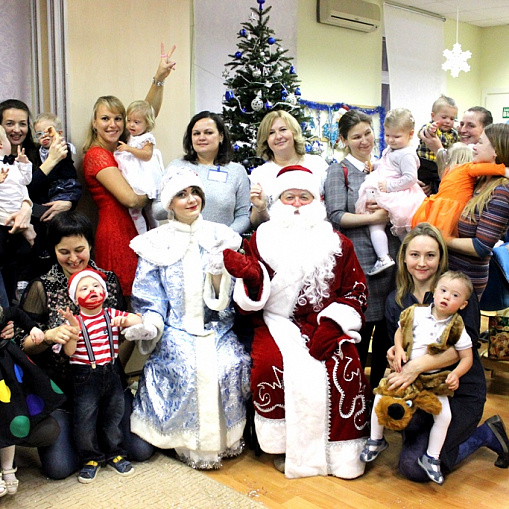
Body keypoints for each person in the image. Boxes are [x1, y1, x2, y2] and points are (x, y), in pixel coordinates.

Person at [224, 165, 371, 479]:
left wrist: (334, 324)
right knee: (270, 365)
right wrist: (251, 280)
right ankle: (281, 446)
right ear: (278, 202)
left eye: (303, 197)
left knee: (345, 365)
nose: (296, 204)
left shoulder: (338, 242)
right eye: (289, 197)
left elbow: (356, 288)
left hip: (326, 323)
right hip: (276, 322)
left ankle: (339, 454)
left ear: (316, 200)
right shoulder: (260, 240)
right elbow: (248, 302)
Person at [16, 211, 154, 480]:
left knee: (140, 450)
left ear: (90, 245)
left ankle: (104, 434)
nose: (73, 258)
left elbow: (125, 331)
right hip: (63, 392)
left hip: (107, 381)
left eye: (80, 249)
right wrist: (46, 336)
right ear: (53, 250)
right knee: (60, 468)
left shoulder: (107, 282)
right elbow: (22, 346)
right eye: (63, 251)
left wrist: (110, 370)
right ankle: (89, 438)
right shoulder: (42, 287)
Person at [129, 167, 251, 469]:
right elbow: (149, 297)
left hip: (218, 327)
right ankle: (182, 440)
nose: (190, 199)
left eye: (195, 192)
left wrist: (218, 276)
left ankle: (227, 438)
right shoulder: (154, 243)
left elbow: (232, 297)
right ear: (169, 203)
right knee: (188, 366)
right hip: (174, 330)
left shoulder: (221, 237)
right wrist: (151, 324)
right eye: (181, 195)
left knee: (229, 364)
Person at [385, 223, 509, 482]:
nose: (422, 263)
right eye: (415, 255)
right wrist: (394, 354)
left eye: (430, 255)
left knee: (415, 468)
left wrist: (417, 366)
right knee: (406, 426)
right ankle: (424, 434)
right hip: (421, 391)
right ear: (404, 256)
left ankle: (486, 433)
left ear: (441, 257)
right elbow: (399, 345)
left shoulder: (457, 292)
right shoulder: (397, 300)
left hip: (460, 390)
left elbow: (465, 348)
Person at [363, 271, 474, 485]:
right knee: (381, 395)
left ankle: (431, 457)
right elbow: (400, 331)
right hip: (406, 375)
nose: (446, 297)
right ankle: (376, 439)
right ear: (434, 291)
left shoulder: (457, 328)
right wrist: (397, 347)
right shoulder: (417, 313)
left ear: (463, 304)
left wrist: (456, 374)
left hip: (433, 382)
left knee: (444, 416)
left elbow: (467, 357)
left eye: (455, 296)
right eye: (443, 291)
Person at [83, 45, 176, 297]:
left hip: (138, 226)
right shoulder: (96, 155)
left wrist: (159, 78)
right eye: (105, 119)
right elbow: (131, 199)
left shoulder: (125, 146)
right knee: (126, 296)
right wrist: (162, 193)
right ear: (94, 123)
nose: (112, 124)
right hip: (116, 233)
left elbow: (147, 114)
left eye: (118, 119)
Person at [324, 110, 399, 390]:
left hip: (391, 261)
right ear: (344, 140)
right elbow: (335, 215)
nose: (364, 140)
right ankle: (357, 399)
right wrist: (374, 218)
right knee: (361, 333)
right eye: (356, 137)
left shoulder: (383, 168)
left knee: (387, 338)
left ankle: (381, 396)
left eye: (368, 133)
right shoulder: (339, 170)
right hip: (362, 265)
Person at [59, 268, 153, 483]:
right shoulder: (74, 321)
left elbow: (137, 321)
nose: (91, 290)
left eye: (95, 286)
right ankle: (90, 457)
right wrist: (73, 330)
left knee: (113, 415)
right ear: (75, 297)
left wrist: (128, 321)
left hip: (111, 373)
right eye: (84, 288)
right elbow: (69, 352)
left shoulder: (111, 314)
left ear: (104, 292)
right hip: (84, 377)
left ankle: (115, 452)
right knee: (85, 419)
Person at [0, 100, 81, 284]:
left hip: (43, 237)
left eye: (22, 124)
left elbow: (69, 179)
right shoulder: (47, 157)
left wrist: (69, 201)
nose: (17, 130)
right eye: (10, 123)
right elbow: (21, 191)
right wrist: (50, 162)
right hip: (10, 239)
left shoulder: (39, 151)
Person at [0, 305, 65, 497]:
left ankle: (8, 468)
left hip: (6, 375)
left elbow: (17, 313)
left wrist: (34, 329)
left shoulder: (4, 313)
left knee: (11, 418)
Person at [356, 108, 426, 275]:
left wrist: (389, 186)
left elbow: (410, 178)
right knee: (376, 224)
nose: (391, 140)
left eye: (396, 137)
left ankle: (411, 257)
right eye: (387, 135)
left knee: (404, 230)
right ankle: (384, 257)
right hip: (386, 188)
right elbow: (387, 163)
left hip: (399, 194)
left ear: (410, 134)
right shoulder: (392, 149)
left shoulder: (407, 154)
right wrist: (375, 165)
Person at [446, 123, 509, 299]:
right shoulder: (479, 180)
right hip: (450, 273)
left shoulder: (501, 191)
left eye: (480, 142)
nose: (474, 146)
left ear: (495, 150)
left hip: (467, 279)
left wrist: (443, 239)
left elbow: (481, 246)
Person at [160, 111, 250, 234]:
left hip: (222, 245)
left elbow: (244, 215)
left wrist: (225, 237)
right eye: (196, 133)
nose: (201, 137)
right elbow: (156, 210)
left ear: (221, 136)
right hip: (183, 241)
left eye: (208, 132)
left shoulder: (237, 171)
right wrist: (176, 204)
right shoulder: (176, 167)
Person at [413, 139, 509, 239]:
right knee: (443, 236)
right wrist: (503, 170)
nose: (475, 146)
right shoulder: (467, 168)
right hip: (454, 207)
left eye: (480, 142)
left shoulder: (448, 171)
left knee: (433, 236)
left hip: (438, 206)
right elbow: (486, 168)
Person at [250, 110, 328, 228]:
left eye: (283, 129)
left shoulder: (318, 164)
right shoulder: (260, 174)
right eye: (271, 133)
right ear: (266, 140)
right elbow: (256, 222)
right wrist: (260, 208)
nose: (278, 136)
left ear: (294, 132)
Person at [114, 100, 165, 235]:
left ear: (147, 123)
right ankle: (142, 235)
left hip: (144, 175)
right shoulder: (131, 136)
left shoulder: (147, 138)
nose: (131, 125)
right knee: (135, 211)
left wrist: (129, 149)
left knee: (150, 209)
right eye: (129, 120)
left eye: (136, 122)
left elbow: (147, 155)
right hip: (133, 174)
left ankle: (156, 232)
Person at [0, 125, 36, 303]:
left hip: (17, 219)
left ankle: (15, 297)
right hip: (3, 220)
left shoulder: (12, 164)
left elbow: (25, 182)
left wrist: (24, 163)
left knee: (14, 261)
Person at [420, 106, 493, 184]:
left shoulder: (487, 159)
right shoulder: (454, 143)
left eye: (471, 126)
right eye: (461, 124)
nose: (462, 130)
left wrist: (438, 150)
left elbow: (455, 183)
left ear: (486, 129)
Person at [416, 95, 459, 194]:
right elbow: (422, 133)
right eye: (444, 117)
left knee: (439, 186)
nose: (448, 121)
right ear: (433, 116)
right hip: (425, 163)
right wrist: (432, 130)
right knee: (422, 185)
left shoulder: (453, 133)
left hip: (439, 165)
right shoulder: (431, 127)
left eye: (452, 119)